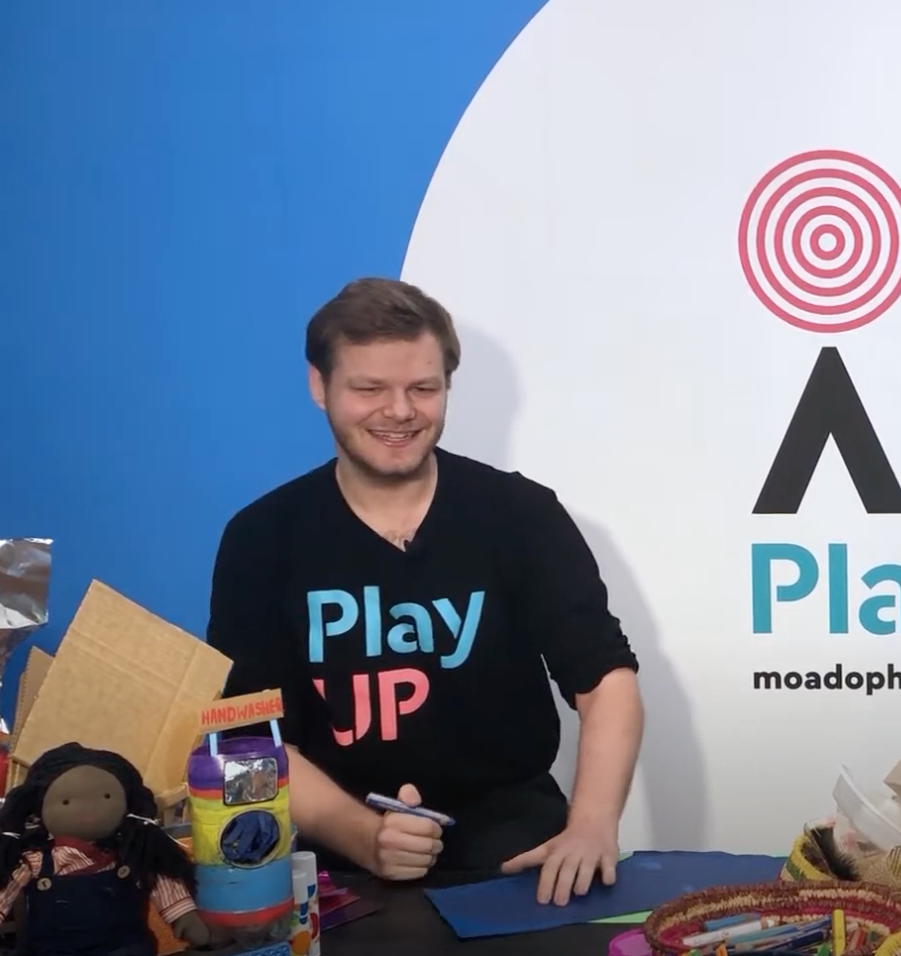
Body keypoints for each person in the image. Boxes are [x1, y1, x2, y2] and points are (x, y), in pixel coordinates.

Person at [206, 277, 646, 906]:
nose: (400, 411)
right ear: (318, 386)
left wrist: (594, 824)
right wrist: (362, 835)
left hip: (515, 844)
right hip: (335, 863)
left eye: (422, 388)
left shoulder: (521, 514)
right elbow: (249, 738)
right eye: (369, 389)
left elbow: (606, 678)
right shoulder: (261, 537)